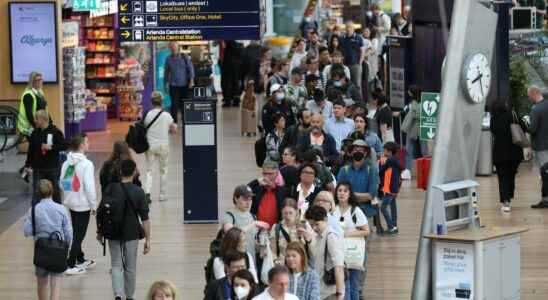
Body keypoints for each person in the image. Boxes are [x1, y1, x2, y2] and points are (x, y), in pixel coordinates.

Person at [98, 159, 151, 300]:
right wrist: (148, 240)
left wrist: (100, 232)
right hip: (132, 233)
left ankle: (118, 294)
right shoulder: (138, 191)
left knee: (116, 264)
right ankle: (130, 295)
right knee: (130, 266)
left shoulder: (110, 188)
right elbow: (145, 218)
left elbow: (101, 211)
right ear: (134, 172)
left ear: (120, 172)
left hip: (112, 231)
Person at [23, 179, 72, 300]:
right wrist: (68, 248)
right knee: (56, 285)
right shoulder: (61, 209)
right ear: (52, 191)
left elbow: (27, 231)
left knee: (41, 284)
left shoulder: (33, 210)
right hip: (58, 250)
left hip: (41, 251)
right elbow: (68, 232)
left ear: (38, 193)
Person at [61, 133, 97, 275]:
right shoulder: (86, 164)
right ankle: (69, 264)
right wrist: (93, 205)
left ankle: (79, 258)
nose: (89, 144)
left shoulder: (66, 162)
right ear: (81, 145)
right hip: (83, 204)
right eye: (87, 142)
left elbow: (62, 182)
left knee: (76, 230)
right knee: (79, 234)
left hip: (71, 201)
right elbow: (89, 186)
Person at [332, 181, 370, 300]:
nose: (342, 193)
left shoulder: (355, 210)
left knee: (353, 283)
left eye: (345, 191)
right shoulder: (333, 210)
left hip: (353, 251)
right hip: (338, 250)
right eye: (339, 190)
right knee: (343, 283)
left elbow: (366, 230)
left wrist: (347, 234)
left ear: (350, 194)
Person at [337, 140, 381, 234]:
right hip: (345, 211)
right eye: (355, 149)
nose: (358, 152)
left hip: (366, 211)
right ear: (351, 152)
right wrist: (360, 196)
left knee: (365, 244)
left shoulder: (371, 170)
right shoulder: (343, 170)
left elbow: (371, 195)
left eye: (361, 150)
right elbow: (339, 193)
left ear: (365, 153)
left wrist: (349, 195)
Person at [303, 206, 345, 300]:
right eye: (311, 225)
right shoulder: (319, 236)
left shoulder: (331, 236)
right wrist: (309, 241)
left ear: (326, 219)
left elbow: (339, 267)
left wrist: (339, 294)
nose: (314, 228)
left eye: (317, 224)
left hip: (331, 292)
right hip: (321, 290)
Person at [25, 110, 67, 204]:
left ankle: (58, 214)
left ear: (43, 119)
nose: (35, 121)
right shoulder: (35, 133)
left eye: (37, 119)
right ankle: (35, 215)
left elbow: (64, 145)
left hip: (52, 168)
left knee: (55, 192)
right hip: (38, 169)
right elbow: (31, 150)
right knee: (36, 194)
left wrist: (51, 147)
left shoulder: (55, 131)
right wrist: (27, 164)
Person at [490, 101, 524, 212]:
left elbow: (493, 131)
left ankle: (506, 201)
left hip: (500, 153)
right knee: (511, 175)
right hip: (515, 152)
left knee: (503, 177)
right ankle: (509, 196)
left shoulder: (493, 119)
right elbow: (523, 127)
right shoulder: (513, 115)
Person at [144, 91, 177, 202]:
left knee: (149, 170)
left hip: (150, 146)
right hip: (163, 146)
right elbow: (174, 130)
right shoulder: (166, 115)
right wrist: (172, 127)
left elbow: (144, 127)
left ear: (152, 102)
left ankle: (147, 193)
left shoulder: (148, 114)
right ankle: (162, 195)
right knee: (163, 170)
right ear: (162, 102)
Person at [223, 184, 270, 256]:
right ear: (236, 198)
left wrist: (262, 246)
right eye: (245, 199)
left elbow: (252, 243)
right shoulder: (229, 216)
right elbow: (232, 235)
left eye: (250, 199)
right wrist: (253, 224)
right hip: (235, 261)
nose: (248, 203)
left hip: (251, 261)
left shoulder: (253, 216)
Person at [527, 86, 548, 208]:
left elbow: (533, 129)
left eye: (529, 96)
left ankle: (545, 199)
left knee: (545, 173)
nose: (529, 98)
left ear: (533, 94)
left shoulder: (535, 110)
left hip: (541, 146)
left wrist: (526, 125)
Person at [248, 161, 288, 227]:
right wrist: (257, 181)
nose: (267, 176)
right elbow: (244, 191)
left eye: (270, 174)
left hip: (276, 229)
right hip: (258, 228)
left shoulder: (282, 190)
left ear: (277, 174)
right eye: (264, 174)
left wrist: (274, 187)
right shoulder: (258, 188)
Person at [164, 41, 195, 123]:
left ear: (178, 47)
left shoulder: (184, 57)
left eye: (174, 46)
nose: (173, 48)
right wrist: (166, 84)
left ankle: (185, 121)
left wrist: (191, 81)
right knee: (174, 105)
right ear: (169, 48)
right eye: (171, 46)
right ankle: (174, 123)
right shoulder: (168, 59)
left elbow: (190, 68)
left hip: (184, 85)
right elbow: (166, 72)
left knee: (184, 105)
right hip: (173, 85)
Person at [401, 85, 428, 179]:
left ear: (412, 93)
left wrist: (414, 112)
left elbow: (414, 114)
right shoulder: (413, 104)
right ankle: (407, 170)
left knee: (423, 151)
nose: (408, 93)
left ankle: (427, 170)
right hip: (415, 128)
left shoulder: (416, 104)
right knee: (409, 150)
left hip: (419, 128)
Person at [270, 199, 304, 264]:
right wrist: (275, 261)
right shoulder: (276, 228)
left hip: (299, 265)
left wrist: (307, 238)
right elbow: (272, 251)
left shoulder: (304, 226)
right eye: (285, 213)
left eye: (290, 213)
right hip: (282, 265)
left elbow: (312, 249)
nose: (288, 216)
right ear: (282, 213)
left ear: (296, 212)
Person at [379, 142, 402, 235]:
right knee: (393, 207)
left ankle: (391, 227)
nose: (383, 151)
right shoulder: (395, 160)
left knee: (383, 207)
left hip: (391, 188)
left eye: (385, 150)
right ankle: (394, 226)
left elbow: (382, 170)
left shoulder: (390, 160)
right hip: (394, 187)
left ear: (389, 151)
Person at [17, 71, 48, 137]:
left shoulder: (40, 93)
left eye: (41, 79)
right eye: (38, 80)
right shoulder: (28, 95)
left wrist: (48, 123)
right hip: (28, 127)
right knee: (38, 144)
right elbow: (29, 115)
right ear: (32, 82)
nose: (40, 82)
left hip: (40, 124)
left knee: (51, 137)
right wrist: (38, 127)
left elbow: (44, 109)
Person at [340, 21, 365, 90]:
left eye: (350, 27)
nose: (348, 29)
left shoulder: (358, 37)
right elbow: (340, 51)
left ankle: (359, 100)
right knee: (346, 84)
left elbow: (362, 50)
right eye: (347, 27)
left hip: (355, 65)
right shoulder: (342, 38)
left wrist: (360, 62)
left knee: (357, 84)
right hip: (345, 65)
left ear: (353, 28)